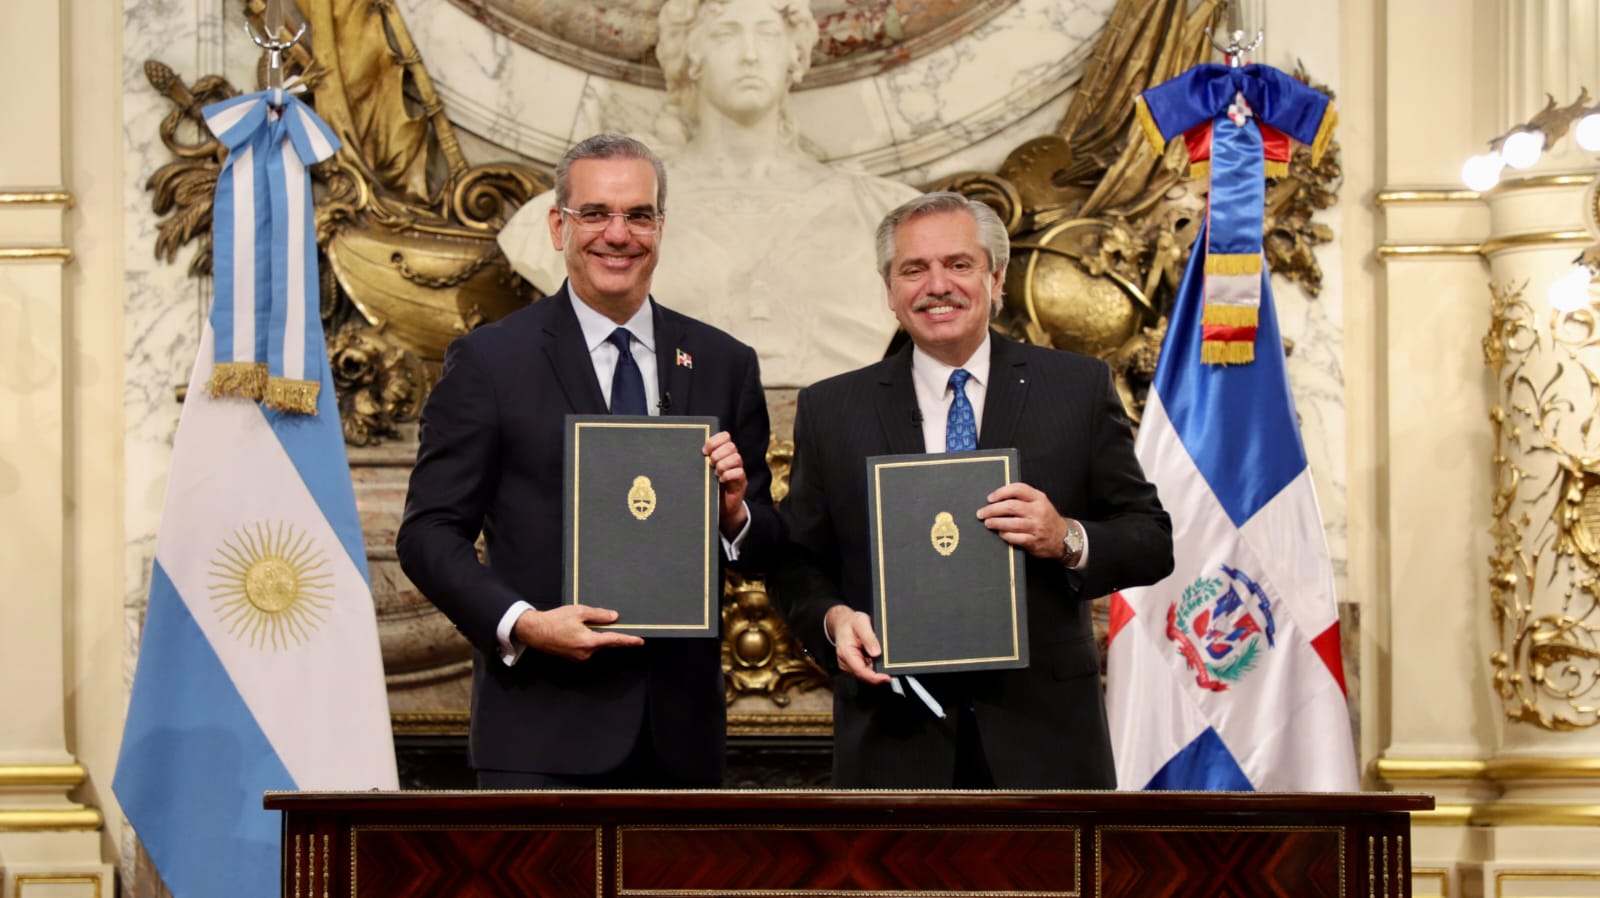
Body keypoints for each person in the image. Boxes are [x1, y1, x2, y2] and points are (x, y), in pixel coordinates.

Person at [396, 133, 782, 788]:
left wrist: (735, 513)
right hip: (540, 737)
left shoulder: (724, 363)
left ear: (660, 226)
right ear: (559, 226)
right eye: (596, 213)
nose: (618, 234)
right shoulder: (491, 363)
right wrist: (523, 623)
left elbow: (768, 543)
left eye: (638, 215)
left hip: (681, 743)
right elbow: (428, 533)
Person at [770, 192, 1174, 789]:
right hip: (893, 738)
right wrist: (832, 620)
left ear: (996, 278)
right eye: (914, 269)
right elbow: (796, 558)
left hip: (1045, 740)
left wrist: (1066, 537)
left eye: (959, 265)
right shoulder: (832, 408)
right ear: (889, 289)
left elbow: (1151, 539)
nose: (938, 285)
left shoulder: (1076, 388)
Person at [498, 0, 918, 388]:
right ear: (691, 55)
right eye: (726, 33)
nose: (750, 54)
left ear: (795, 53)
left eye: (768, 34)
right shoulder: (588, 220)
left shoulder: (880, 211)